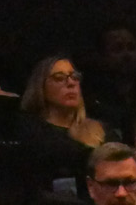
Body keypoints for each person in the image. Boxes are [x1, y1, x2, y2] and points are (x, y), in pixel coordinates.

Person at [13, 54, 103, 195]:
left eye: (75, 77)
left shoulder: (101, 129)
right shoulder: (29, 129)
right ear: (41, 87)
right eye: (59, 78)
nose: (71, 83)